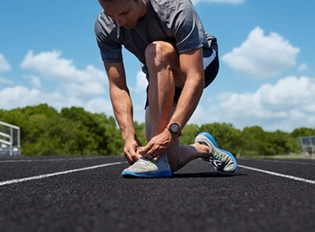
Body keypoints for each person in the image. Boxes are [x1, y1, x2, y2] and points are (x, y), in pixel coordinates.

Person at [95, 0, 237, 177]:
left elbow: (194, 78)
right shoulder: (105, 26)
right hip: (160, 75)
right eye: (111, 16)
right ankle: (204, 149)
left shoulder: (175, 7)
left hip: (199, 64)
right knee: (168, 161)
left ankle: (157, 159)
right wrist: (128, 135)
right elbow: (117, 86)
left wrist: (172, 131)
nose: (119, 22)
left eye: (124, 13)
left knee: (156, 51)